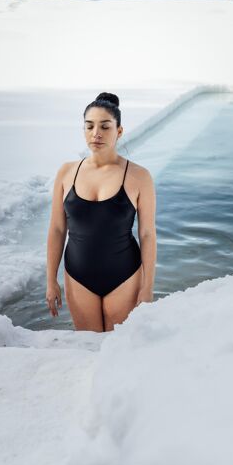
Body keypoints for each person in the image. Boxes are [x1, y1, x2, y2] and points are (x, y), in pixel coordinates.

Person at [45, 92, 156, 332]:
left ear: (119, 131)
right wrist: (51, 280)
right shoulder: (66, 172)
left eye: (105, 126)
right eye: (89, 126)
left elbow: (147, 233)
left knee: (119, 351)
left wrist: (147, 286)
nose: (96, 133)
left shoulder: (139, 176)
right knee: (88, 349)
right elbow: (56, 228)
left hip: (124, 274)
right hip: (78, 276)